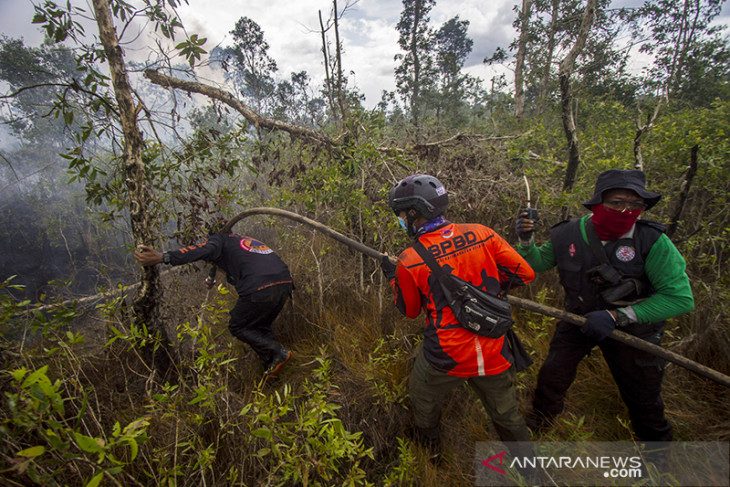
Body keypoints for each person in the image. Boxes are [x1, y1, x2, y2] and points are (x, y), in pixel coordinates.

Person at [515, 169, 694, 441]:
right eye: (616, 202)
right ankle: (538, 429)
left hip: (633, 330)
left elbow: (680, 298)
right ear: (598, 203)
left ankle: (656, 460)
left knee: (643, 397)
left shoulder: (653, 241)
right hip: (579, 320)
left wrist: (618, 316)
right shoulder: (569, 233)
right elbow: (537, 263)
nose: (625, 210)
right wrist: (526, 241)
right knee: (552, 377)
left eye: (635, 204)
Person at [381, 174, 536, 463]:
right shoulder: (482, 233)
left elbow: (410, 310)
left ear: (415, 212)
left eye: (401, 214)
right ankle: (528, 469)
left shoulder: (409, 259)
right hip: (494, 349)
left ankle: (432, 452)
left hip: (447, 355)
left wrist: (393, 276)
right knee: (507, 414)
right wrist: (490, 292)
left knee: (421, 392)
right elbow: (525, 273)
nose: (401, 220)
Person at [134, 231, 294, 382]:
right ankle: (272, 367)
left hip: (260, 286)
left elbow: (201, 250)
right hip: (284, 283)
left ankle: (278, 352)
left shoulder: (218, 240)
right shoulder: (243, 241)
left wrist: (164, 257)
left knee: (237, 326)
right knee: (260, 325)